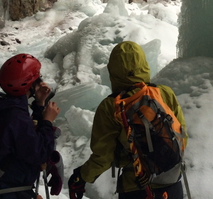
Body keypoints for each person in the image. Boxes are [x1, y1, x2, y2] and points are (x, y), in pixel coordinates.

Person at [68, 41, 188, 199]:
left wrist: (82, 176)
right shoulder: (164, 93)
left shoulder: (111, 107)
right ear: (143, 64)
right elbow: (182, 134)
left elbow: (103, 156)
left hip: (136, 187)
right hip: (172, 184)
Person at [0, 53, 60, 199]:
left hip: (5, 187)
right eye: (37, 78)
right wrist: (47, 121)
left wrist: (39, 105)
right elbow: (40, 153)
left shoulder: (6, 107)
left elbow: (27, 137)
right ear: (30, 84)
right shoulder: (15, 117)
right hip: (8, 192)